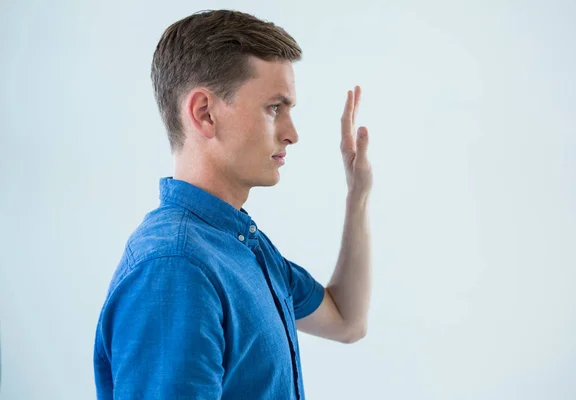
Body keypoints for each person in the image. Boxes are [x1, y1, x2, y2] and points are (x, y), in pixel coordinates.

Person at [93, 9, 373, 399]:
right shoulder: (176, 266)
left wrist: (357, 196)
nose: (293, 134)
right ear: (205, 113)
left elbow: (347, 321)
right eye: (275, 107)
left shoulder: (240, 243)